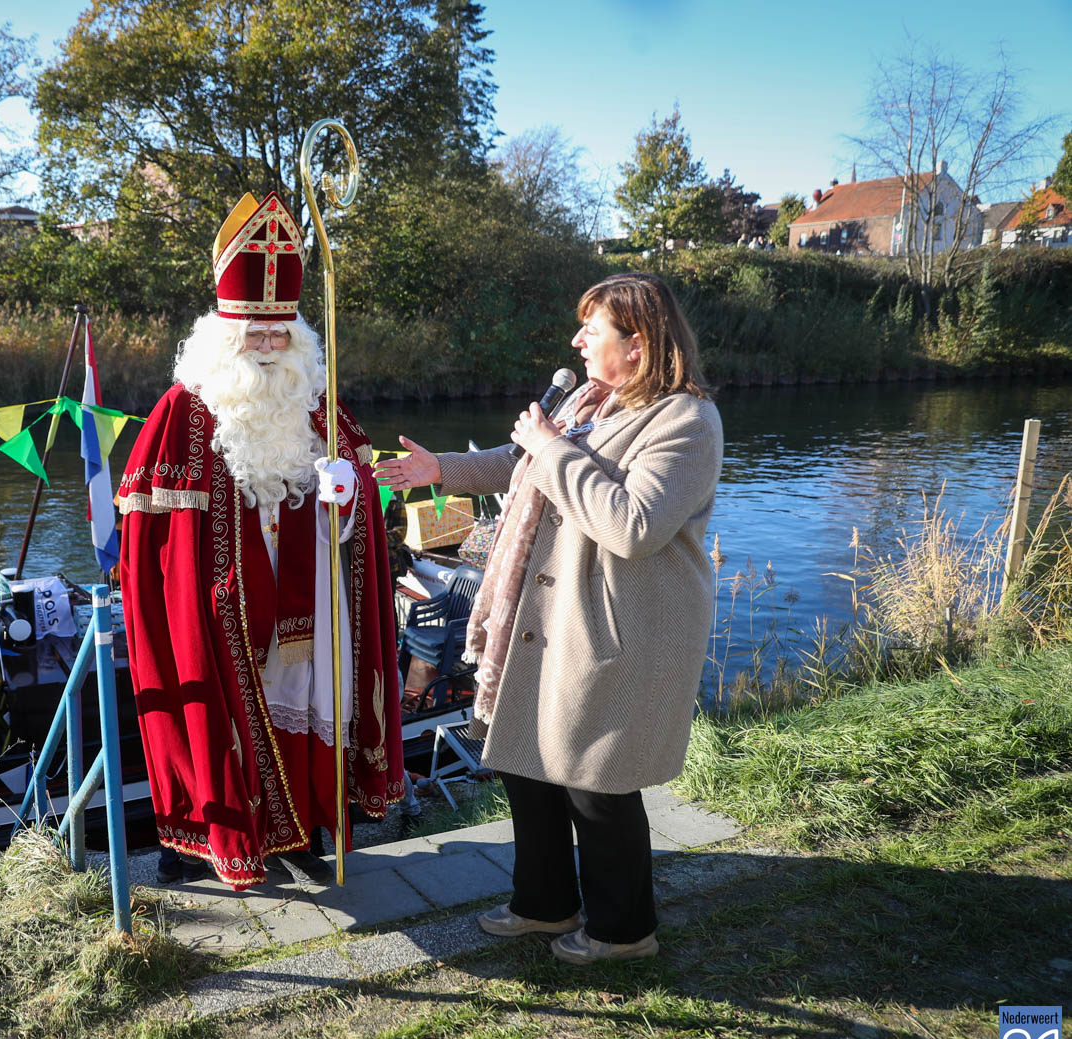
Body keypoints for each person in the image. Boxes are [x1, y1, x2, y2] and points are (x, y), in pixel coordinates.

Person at [373, 272, 722, 963]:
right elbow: (520, 463)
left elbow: (634, 527)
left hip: (615, 622)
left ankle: (624, 931)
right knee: (527, 762)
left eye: (591, 330)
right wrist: (440, 469)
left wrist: (552, 447)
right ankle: (545, 904)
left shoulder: (685, 421)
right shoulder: (592, 402)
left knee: (596, 779)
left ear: (639, 343)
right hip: (543, 614)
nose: (577, 341)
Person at [118, 191, 404, 891]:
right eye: (255, 336)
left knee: (310, 704)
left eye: (280, 336)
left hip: (311, 609)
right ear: (224, 337)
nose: (270, 349)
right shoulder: (181, 414)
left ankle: (303, 832)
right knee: (220, 721)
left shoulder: (319, 405)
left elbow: (361, 517)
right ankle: (214, 841)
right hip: (222, 614)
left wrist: (350, 494)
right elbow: (150, 543)